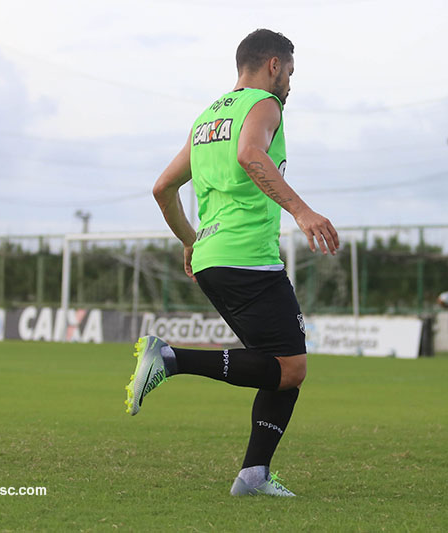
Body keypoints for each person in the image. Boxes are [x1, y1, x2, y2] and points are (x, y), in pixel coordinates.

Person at [124, 29, 338, 497]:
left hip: (211, 258)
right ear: (274, 66)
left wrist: (190, 240)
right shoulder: (265, 105)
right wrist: (301, 211)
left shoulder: (205, 120)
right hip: (246, 257)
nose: (290, 86)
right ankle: (169, 359)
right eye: (290, 74)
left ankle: (253, 475)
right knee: (291, 369)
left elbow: (163, 187)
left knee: (277, 365)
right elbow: (249, 155)